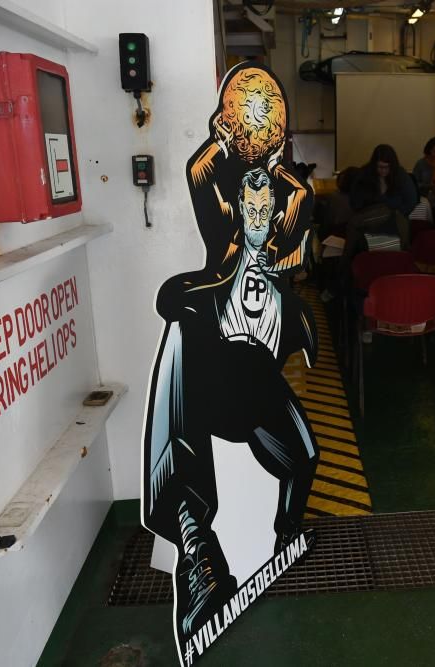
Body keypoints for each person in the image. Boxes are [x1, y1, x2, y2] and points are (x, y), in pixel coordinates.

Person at [144, 64, 320, 647]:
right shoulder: (213, 262)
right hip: (212, 380)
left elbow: (299, 202)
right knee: (179, 338)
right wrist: (226, 137)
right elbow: (199, 175)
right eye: (248, 202)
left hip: (258, 388)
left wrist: (276, 164)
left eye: (267, 205)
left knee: (306, 456)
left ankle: (286, 530)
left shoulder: (285, 264)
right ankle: (197, 545)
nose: (258, 209)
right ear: (234, 211)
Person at [412, 136, 435, 202]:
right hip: (425, 198)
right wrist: (428, 185)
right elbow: (414, 183)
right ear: (429, 150)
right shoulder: (421, 164)